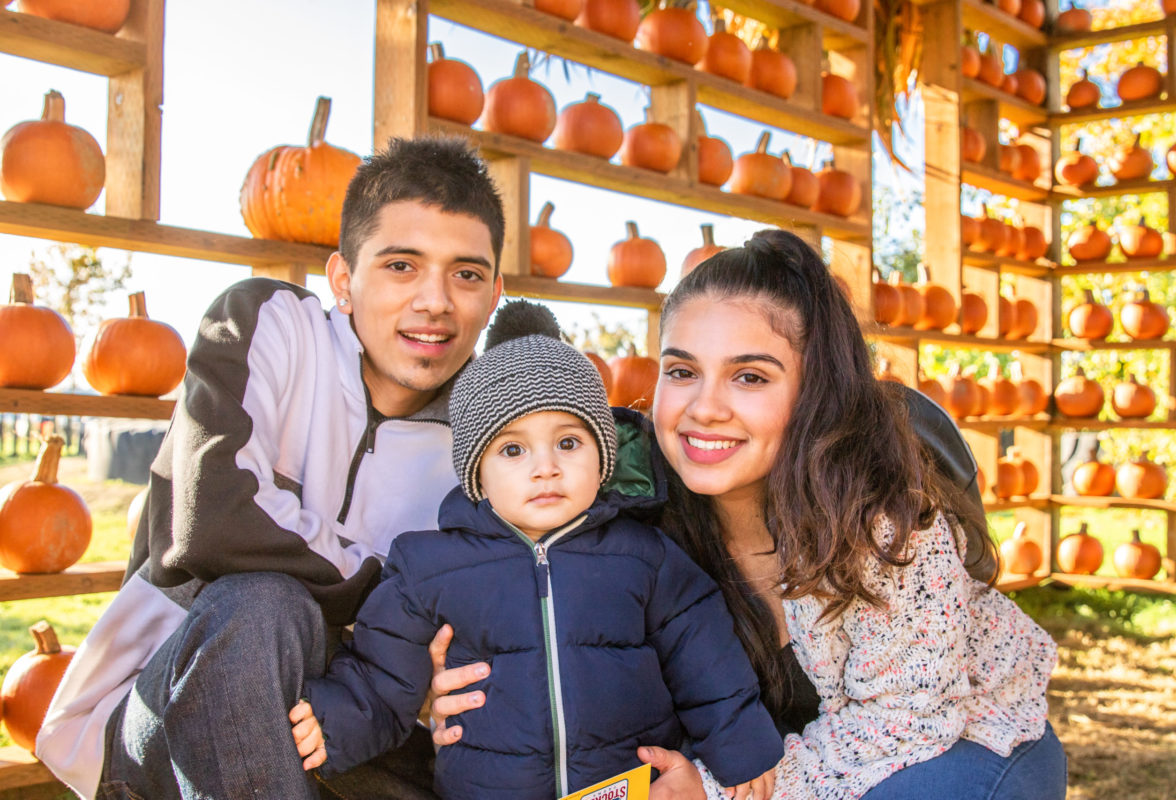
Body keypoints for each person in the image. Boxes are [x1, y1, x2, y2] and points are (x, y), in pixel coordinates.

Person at [429, 229, 1067, 800]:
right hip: (782, 773)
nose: (704, 408)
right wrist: (449, 690)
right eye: (682, 371)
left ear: (814, 390)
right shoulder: (631, 517)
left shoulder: (883, 520)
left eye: (750, 378)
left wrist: (710, 791)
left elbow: (907, 719)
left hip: (952, 748)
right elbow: (545, 617)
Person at [36, 137, 508, 800]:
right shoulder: (267, 323)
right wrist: (402, 600)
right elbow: (217, 521)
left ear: (494, 296)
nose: (435, 300)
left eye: (466, 274)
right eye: (402, 265)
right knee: (262, 604)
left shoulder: (494, 442)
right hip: (166, 714)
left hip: (357, 730)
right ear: (343, 280)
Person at [287, 299, 783, 800]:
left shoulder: (643, 555)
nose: (544, 467)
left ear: (602, 457)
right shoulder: (430, 566)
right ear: (477, 472)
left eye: (568, 443)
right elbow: (383, 667)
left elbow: (703, 653)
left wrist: (738, 741)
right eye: (513, 450)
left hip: (627, 787)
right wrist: (339, 717)